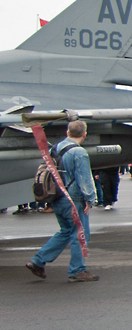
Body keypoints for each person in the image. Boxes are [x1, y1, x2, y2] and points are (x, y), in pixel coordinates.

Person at [25, 120, 98, 282]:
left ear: (68, 132)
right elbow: (84, 179)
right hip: (74, 199)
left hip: (57, 196)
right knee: (80, 235)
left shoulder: (55, 148)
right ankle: (77, 269)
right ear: (84, 135)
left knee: (66, 231)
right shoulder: (79, 153)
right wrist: (90, 199)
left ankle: (38, 260)